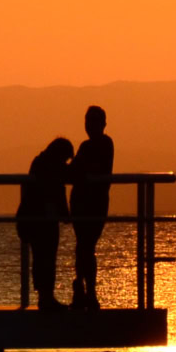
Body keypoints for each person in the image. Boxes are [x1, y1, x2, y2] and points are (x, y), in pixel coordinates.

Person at [17, 137, 74, 311]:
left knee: (41, 258)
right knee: (46, 257)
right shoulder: (51, 167)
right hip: (42, 219)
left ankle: (45, 296)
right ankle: (46, 297)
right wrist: (65, 214)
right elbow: (57, 190)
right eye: (65, 158)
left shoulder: (40, 162)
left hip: (34, 218)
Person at [68, 106, 114, 309]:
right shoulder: (86, 146)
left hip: (94, 202)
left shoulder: (104, 143)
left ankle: (87, 291)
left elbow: (85, 168)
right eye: (87, 121)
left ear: (103, 124)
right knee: (83, 246)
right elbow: (75, 170)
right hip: (81, 202)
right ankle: (83, 290)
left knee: (86, 246)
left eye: (94, 121)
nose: (90, 125)